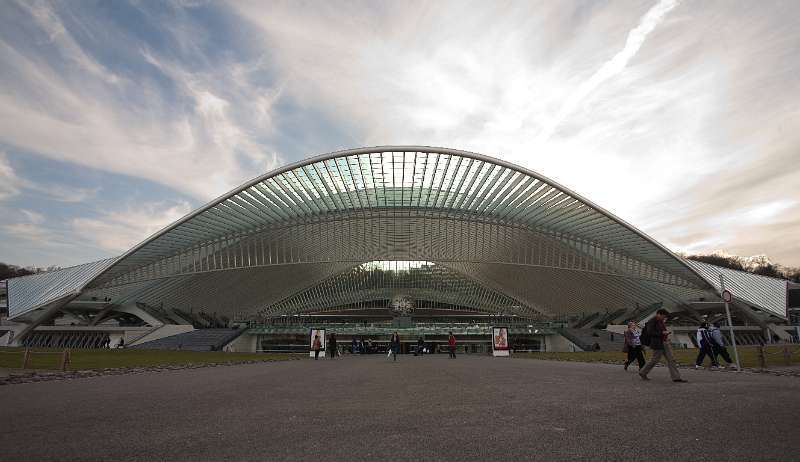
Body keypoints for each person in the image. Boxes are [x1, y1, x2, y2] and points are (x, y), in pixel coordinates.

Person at [639, 309, 687, 382]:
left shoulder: (661, 321)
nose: (664, 318)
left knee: (671, 359)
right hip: (658, 343)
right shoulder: (652, 321)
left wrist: (665, 333)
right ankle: (643, 372)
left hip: (665, 342)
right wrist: (662, 333)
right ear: (659, 314)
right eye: (663, 316)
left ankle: (676, 378)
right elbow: (649, 332)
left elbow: (661, 330)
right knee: (654, 359)